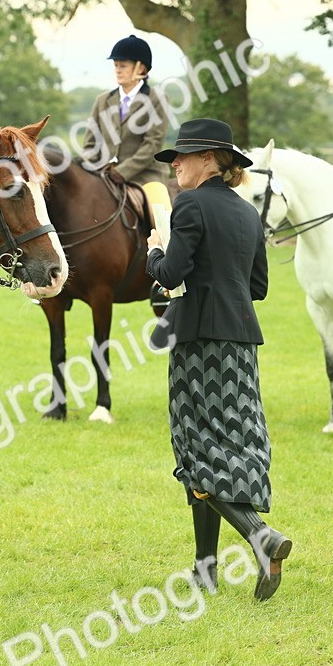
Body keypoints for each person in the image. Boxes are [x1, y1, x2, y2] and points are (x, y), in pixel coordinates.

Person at [145, 118, 291, 602]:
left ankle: (259, 535)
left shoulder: (190, 203)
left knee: (196, 447)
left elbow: (170, 271)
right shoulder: (248, 213)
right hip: (241, 341)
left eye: (182, 157)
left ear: (210, 159)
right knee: (231, 442)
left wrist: (155, 252)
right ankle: (204, 567)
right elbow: (258, 288)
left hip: (198, 342)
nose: (176, 165)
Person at [81, 34, 171, 186]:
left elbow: (152, 145)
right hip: (104, 175)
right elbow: (90, 144)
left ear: (140, 68)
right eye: (115, 65)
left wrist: (121, 172)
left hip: (145, 176)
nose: (117, 70)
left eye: (123, 66)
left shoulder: (157, 99)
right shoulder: (102, 100)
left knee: (156, 207)